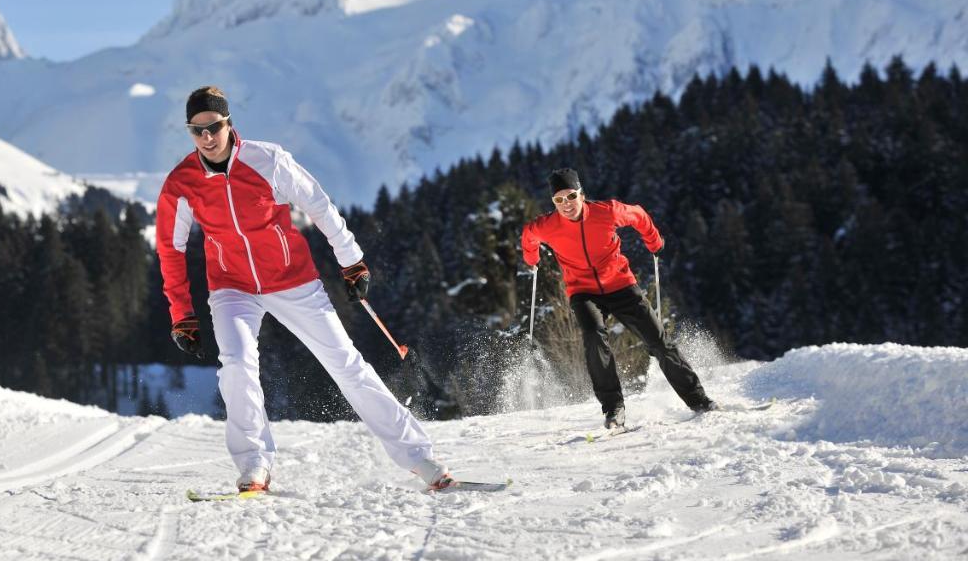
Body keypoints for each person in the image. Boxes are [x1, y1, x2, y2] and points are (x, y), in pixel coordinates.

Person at [155, 86, 452, 491]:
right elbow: (170, 249)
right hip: (232, 286)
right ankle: (254, 464)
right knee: (237, 364)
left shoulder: (267, 160)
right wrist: (182, 313)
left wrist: (351, 260)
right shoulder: (181, 183)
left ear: (229, 124)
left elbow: (319, 205)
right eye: (196, 130)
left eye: (214, 127)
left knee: (346, 364)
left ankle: (420, 458)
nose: (207, 137)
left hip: (293, 278)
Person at [520, 168, 715, 428]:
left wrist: (654, 242)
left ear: (581, 193)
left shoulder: (607, 211)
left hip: (621, 285)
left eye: (571, 196)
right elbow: (528, 236)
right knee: (593, 336)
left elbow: (639, 216)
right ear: (553, 203)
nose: (566, 204)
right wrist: (531, 260)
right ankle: (613, 409)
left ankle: (699, 400)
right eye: (559, 200)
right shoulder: (548, 226)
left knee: (658, 342)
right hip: (582, 291)